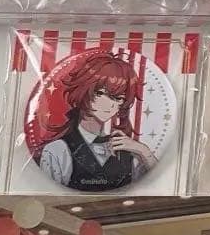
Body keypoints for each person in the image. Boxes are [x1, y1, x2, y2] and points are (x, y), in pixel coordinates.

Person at [37, 51, 155, 191]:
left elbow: (156, 184)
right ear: (83, 90)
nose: (109, 104)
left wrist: (144, 151)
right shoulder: (58, 150)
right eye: (100, 93)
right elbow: (48, 192)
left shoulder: (130, 151)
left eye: (118, 98)